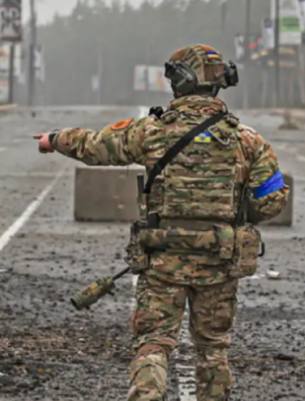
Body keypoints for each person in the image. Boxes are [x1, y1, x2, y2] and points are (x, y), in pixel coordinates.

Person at [33, 44, 289, 401]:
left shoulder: (151, 132)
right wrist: (237, 215)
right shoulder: (247, 141)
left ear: (179, 82)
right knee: (213, 348)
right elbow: (272, 199)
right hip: (220, 260)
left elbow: (96, 146)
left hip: (163, 259)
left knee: (153, 343)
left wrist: (54, 139)